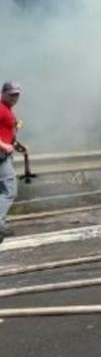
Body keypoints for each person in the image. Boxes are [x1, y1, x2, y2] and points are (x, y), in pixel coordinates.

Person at [0, 81, 22, 243]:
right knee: (9, 191)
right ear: (3, 93)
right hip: (1, 155)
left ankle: (1, 224)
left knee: (3, 191)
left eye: (17, 94)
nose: (15, 97)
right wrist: (3, 145)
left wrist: (15, 144)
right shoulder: (1, 108)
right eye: (12, 94)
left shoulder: (8, 109)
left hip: (4, 154)